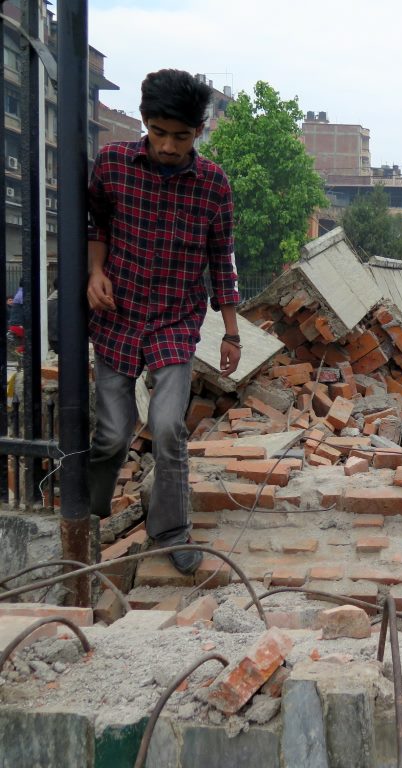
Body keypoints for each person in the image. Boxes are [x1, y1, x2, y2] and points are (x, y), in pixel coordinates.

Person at [86, 69, 241, 575]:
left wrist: (233, 333)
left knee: (169, 427)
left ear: (199, 131)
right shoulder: (112, 166)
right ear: (144, 122)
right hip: (116, 318)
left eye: (180, 135)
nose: (168, 145)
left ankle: (171, 529)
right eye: (158, 132)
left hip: (175, 322)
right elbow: (96, 225)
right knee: (113, 433)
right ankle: (91, 511)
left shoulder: (214, 185)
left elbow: (223, 260)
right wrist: (94, 273)